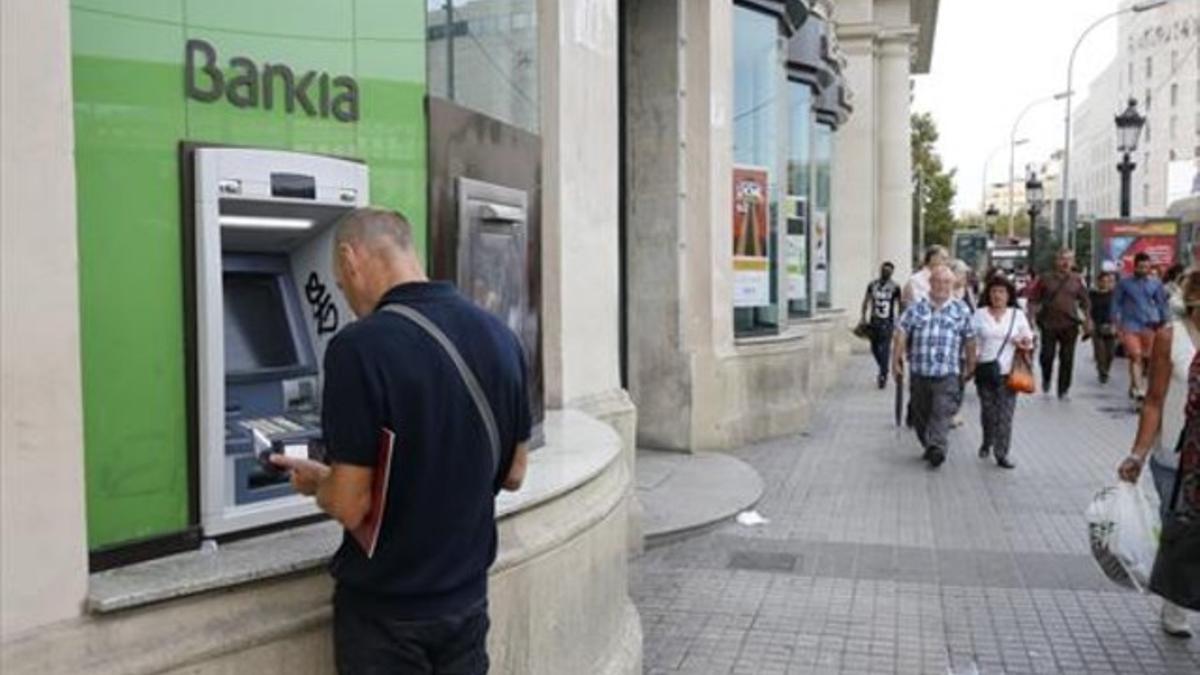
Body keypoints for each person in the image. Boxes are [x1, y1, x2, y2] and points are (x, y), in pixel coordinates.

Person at [270, 208, 532, 674]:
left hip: (387, 616)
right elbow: (514, 473)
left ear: (351, 259)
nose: (344, 294)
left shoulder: (359, 348)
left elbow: (350, 506)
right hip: (467, 600)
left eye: (339, 280)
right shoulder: (500, 337)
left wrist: (320, 485)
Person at [1117, 268, 1200, 639]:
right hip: (1177, 456)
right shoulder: (1171, 337)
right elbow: (1154, 401)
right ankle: (1177, 603)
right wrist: (1137, 454)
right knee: (1180, 529)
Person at [892, 265, 977, 468]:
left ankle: (938, 447)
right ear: (930, 283)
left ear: (953, 285)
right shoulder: (916, 308)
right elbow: (902, 333)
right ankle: (928, 443)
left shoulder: (961, 310)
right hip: (920, 372)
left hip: (947, 373)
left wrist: (971, 364)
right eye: (937, 281)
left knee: (942, 411)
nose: (942, 286)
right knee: (921, 414)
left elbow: (970, 339)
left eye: (947, 282)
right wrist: (896, 360)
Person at [971, 276, 1035, 469]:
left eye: (1002, 292)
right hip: (985, 370)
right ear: (988, 294)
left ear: (1009, 295)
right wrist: (971, 362)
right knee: (988, 412)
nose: (997, 295)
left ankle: (1002, 453)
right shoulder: (980, 314)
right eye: (994, 291)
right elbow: (971, 340)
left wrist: (1021, 341)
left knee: (1005, 415)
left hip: (1009, 372)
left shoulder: (1017, 315)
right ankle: (987, 440)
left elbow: (1029, 340)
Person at [1027, 249, 1092, 399]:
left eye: (1069, 259)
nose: (1065, 263)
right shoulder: (1045, 279)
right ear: (1056, 261)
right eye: (1062, 259)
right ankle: (1046, 378)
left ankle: (1063, 388)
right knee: (1047, 355)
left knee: (1067, 357)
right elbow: (1034, 298)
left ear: (1073, 262)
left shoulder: (1077, 280)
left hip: (1070, 324)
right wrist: (1030, 318)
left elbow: (1085, 302)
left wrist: (1088, 320)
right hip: (1048, 323)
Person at [1114, 252, 1171, 401]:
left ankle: (1134, 384)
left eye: (1146, 267)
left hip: (1149, 324)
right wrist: (1115, 321)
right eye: (1140, 267)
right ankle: (1139, 389)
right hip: (1129, 325)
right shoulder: (1124, 283)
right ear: (1135, 266)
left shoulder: (1155, 284)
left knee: (1147, 358)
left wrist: (1165, 321)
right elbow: (1116, 303)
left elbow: (1161, 303)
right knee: (1135, 355)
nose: (1143, 270)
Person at [861, 261, 902, 389]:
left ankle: (883, 373)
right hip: (874, 320)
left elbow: (899, 304)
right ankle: (883, 367)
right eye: (884, 270)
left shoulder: (895, 287)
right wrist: (863, 316)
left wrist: (899, 321)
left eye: (889, 271)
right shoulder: (873, 285)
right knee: (874, 348)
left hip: (887, 322)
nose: (886, 273)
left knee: (884, 348)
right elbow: (866, 300)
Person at [1089, 271, 1118, 384]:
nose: (1105, 283)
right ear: (1098, 281)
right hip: (1096, 326)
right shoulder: (1092, 294)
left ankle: (1106, 368)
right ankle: (1102, 372)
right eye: (1103, 281)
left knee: (1110, 352)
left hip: (1110, 326)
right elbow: (1086, 308)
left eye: (1108, 281)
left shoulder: (1114, 295)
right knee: (1100, 351)